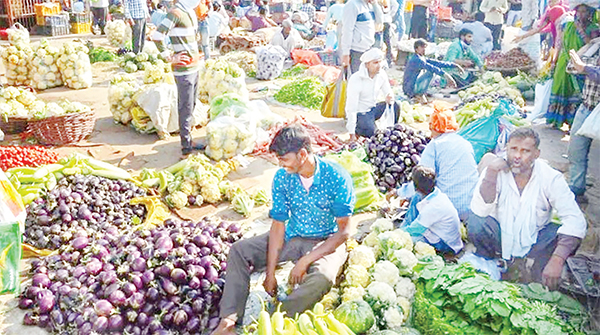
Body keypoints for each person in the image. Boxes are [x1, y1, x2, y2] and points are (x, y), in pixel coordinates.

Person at [211, 125, 355, 335]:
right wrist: (270, 274)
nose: (280, 164)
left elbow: (344, 232)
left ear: (303, 154)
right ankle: (229, 319)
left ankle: (274, 319)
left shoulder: (337, 178)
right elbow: (278, 225)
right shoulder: (282, 178)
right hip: (293, 236)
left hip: (326, 240)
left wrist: (306, 261)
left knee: (323, 277)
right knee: (239, 250)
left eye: (284, 159)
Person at [468, 128, 587, 288]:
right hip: (499, 237)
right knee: (476, 221)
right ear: (506, 149)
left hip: (534, 240)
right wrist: (491, 173)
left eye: (525, 151)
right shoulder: (495, 170)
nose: (517, 156)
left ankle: (537, 274)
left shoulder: (550, 178)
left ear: (536, 154)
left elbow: (575, 220)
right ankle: (493, 261)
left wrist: (557, 259)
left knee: (563, 235)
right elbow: (480, 209)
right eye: (513, 149)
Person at [152, 0, 206, 157]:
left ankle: (189, 139)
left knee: (192, 104)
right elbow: (157, 36)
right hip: (183, 70)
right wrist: (169, 56)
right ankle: (186, 147)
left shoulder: (189, 12)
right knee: (185, 106)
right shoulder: (175, 13)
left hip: (194, 66)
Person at [416, 106, 478, 219]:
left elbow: (422, 178)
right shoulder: (466, 143)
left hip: (446, 211)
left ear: (434, 127)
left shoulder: (434, 145)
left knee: (416, 195)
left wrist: (400, 192)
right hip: (470, 209)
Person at [546, 4, 599, 129]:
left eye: (584, 11)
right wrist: (555, 59)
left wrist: (581, 30)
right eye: (579, 12)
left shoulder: (594, 28)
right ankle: (556, 120)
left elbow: (593, 45)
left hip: (581, 62)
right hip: (565, 60)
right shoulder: (568, 24)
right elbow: (560, 42)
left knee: (577, 92)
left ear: (590, 13)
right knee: (560, 87)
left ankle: (573, 123)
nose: (581, 14)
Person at [397, 166, 464, 254]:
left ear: (416, 187)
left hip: (446, 244)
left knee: (410, 240)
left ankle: (402, 229)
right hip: (440, 232)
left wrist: (397, 234)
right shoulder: (437, 193)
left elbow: (416, 229)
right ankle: (404, 225)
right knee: (416, 197)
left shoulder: (433, 208)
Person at [345, 48, 399, 140]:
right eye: (375, 63)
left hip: (373, 109)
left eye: (380, 62)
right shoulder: (356, 79)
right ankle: (358, 130)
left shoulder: (381, 75)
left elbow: (388, 91)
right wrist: (351, 134)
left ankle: (392, 132)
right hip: (361, 113)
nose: (379, 66)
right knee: (375, 135)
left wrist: (390, 97)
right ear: (367, 65)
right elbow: (351, 108)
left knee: (396, 105)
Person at [567, 49, 598, 204]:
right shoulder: (595, 48)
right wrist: (585, 49)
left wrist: (585, 68)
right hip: (586, 107)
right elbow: (571, 67)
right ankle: (577, 188)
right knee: (576, 149)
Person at [341, 0, 381, 73]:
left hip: (369, 47)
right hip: (357, 49)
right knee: (358, 77)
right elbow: (347, 30)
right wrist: (346, 53)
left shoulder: (370, 5)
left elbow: (380, 20)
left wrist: (375, 4)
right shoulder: (352, 4)